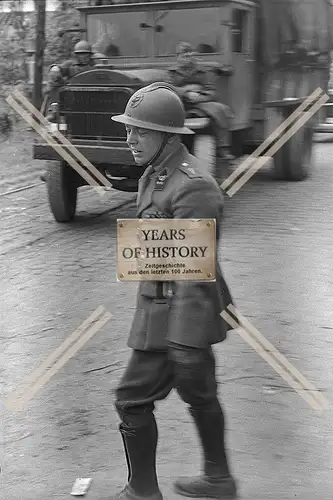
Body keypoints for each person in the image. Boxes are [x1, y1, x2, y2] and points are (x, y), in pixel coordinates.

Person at [110, 82, 238, 500]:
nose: (130, 139)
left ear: (168, 136)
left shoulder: (192, 186)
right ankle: (218, 480)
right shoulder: (155, 173)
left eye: (141, 131)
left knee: (132, 399)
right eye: (129, 129)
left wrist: (184, 341)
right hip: (159, 304)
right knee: (200, 394)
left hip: (182, 313)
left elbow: (195, 272)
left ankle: (143, 491)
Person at [167, 41, 235, 161]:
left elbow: (212, 91)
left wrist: (200, 96)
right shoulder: (171, 73)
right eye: (184, 56)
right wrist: (186, 92)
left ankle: (222, 147)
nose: (187, 59)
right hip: (179, 103)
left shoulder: (201, 72)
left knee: (221, 109)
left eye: (190, 55)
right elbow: (168, 88)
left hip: (200, 103)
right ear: (177, 57)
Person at [40, 41, 96, 182]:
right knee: (59, 125)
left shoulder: (96, 67)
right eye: (80, 54)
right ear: (76, 55)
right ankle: (55, 168)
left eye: (85, 54)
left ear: (90, 55)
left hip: (94, 103)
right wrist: (55, 69)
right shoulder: (70, 66)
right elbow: (58, 68)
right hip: (74, 104)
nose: (83, 57)